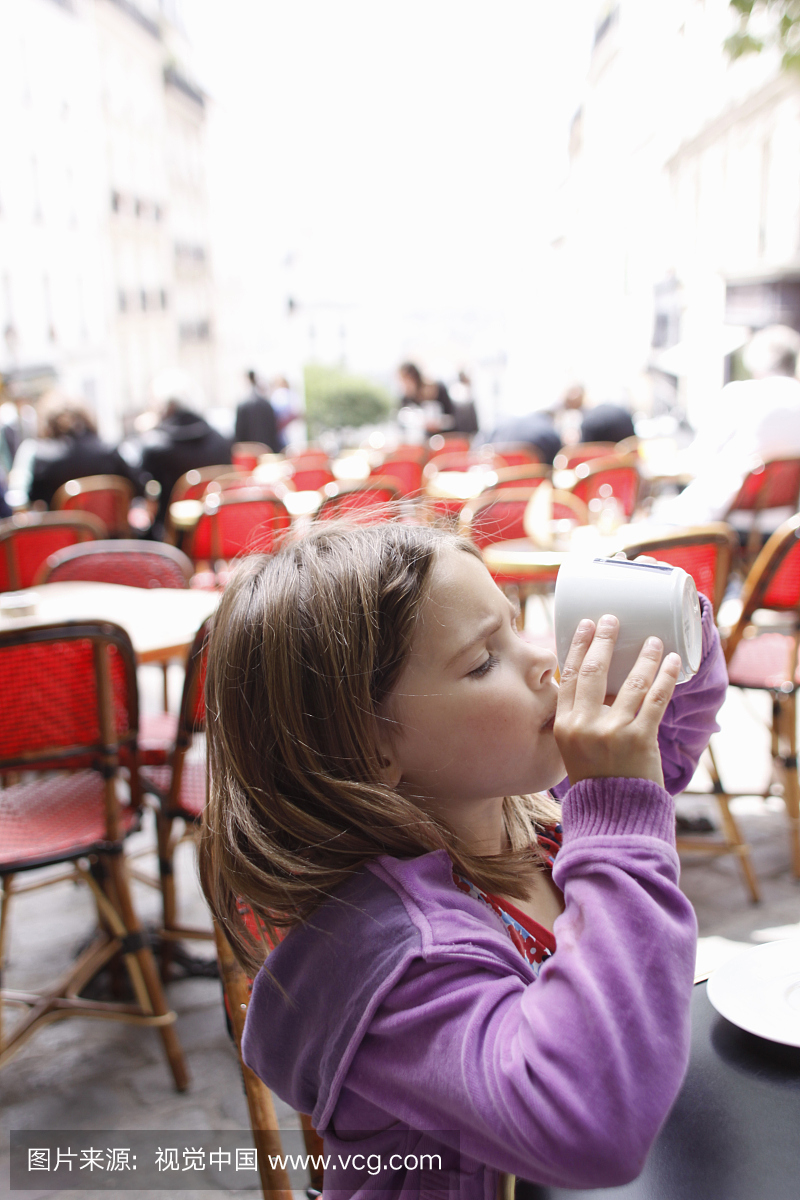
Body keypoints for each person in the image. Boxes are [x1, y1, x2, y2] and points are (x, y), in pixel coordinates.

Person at [200, 522, 727, 1197]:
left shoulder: (532, 816)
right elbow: (591, 1124)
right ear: (369, 750)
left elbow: (664, 752)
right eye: (483, 661)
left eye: (518, 625)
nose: (544, 661)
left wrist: (676, 624)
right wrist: (615, 812)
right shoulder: (389, 963)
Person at [656, 324, 800, 529]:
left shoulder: (742, 394)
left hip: (722, 522)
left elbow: (699, 458)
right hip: (780, 525)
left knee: (647, 529)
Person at [9, 394, 143, 508]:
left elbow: (18, 499)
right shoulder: (109, 450)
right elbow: (139, 489)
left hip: (61, 536)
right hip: (110, 536)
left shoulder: (35, 453)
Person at [133, 399, 232, 538]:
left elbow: (145, 491)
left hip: (174, 536)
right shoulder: (221, 441)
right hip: (218, 533)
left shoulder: (156, 448)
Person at [477, 409, 562, 465]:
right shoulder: (548, 430)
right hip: (532, 484)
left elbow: (477, 451)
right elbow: (556, 462)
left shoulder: (497, 426)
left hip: (496, 485)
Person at [397, 361, 456, 433]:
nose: (404, 385)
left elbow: (452, 418)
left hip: (443, 436)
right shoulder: (405, 399)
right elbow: (402, 425)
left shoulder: (438, 389)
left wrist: (437, 423)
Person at [234, 370, 282, 453]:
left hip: (251, 452)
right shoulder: (266, 403)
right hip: (268, 449)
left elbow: (239, 433)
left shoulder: (243, 405)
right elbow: (274, 429)